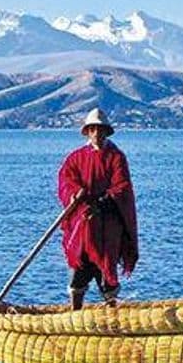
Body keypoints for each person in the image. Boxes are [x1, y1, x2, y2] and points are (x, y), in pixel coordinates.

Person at [56, 108, 139, 310]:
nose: (96, 134)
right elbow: (65, 181)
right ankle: (75, 314)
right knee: (78, 268)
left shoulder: (116, 157)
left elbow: (122, 187)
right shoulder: (75, 158)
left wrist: (101, 202)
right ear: (87, 132)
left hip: (107, 226)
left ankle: (111, 314)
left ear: (106, 132)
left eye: (100, 130)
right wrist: (75, 193)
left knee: (106, 270)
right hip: (82, 224)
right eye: (92, 130)